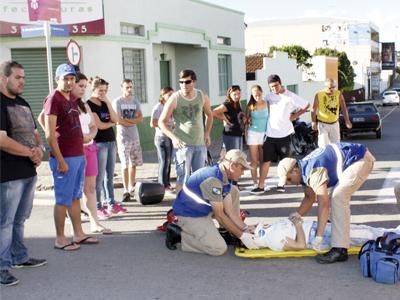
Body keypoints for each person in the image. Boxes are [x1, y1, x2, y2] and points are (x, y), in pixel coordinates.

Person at [276, 142, 375, 263]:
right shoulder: (304, 169)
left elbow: (324, 204)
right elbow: (309, 197)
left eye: (289, 179)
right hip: (355, 158)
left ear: (295, 170)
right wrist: (298, 214)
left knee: (338, 197)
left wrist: (319, 236)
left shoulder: (313, 172)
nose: (289, 183)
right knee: (336, 198)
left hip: (360, 160)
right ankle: (340, 236)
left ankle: (340, 249)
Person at [0, 61, 47, 286]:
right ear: (3, 78)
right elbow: (2, 141)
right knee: (5, 222)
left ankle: (20, 257)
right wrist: (30, 152)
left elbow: (35, 133)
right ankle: (2, 267)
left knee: (20, 219)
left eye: (24, 77)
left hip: (29, 170)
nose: (22, 82)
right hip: (8, 173)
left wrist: (40, 151)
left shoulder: (23, 103)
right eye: (17, 77)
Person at [43, 63, 98, 251]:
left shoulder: (71, 99)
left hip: (78, 155)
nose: (69, 82)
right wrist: (60, 160)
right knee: (63, 199)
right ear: (57, 79)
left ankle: (78, 234)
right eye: (65, 78)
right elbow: (49, 133)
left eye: (71, 78)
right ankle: (60, 238)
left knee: (75, 197)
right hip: (64, 158)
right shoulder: (54, 99)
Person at [167, 149, 259, 256]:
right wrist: (242, 236)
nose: (243, 173)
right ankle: (179, 236)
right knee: (218, 248)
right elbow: (220, 215)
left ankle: (225, 233)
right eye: (242, 168)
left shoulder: (222, 173)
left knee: (233, 191)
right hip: (190, 215)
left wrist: (245, 228)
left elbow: (229, 211)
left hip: (202, 209)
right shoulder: (213, 180)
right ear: (232, 165)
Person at [158, 70, 213, 193]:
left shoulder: (202, 96)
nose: (184, 85)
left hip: (200, 143)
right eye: (181, 82)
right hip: (183, 145)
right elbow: (161, 121)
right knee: (182, 178)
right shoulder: (175, 98)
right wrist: (173, 138)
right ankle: (180, 207)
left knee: (200, 178)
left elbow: (209, 115)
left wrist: (207, 133)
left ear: (194, 82)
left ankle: (197, 206)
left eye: (187, 82)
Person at [256, 74, 310, 195]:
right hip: (270, 134)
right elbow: (261, 105)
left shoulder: (290, 96)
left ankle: (282, 183)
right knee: (265, 161)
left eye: (276, 85)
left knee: (285, 162)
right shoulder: (269, 96)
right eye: (271, 87)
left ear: (280, 83)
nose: (274, 88)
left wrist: (295, 116)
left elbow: (307, 104)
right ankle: (261, 185)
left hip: (285, 134)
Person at [74, 73, 112, 234]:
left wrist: (89, 136)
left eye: (84, 86)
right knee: (75, 190)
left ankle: (94, 223)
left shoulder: (83, 104)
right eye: (80, 85)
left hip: (90, 147)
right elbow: (45, 121)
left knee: (90, 188)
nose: (83, 89)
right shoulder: (61, 102)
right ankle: (76, 228)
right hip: (74, 151)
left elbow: (93, 125)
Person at [87, 77, 127, 218]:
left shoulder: (105, 102)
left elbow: (116, 119)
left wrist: (108, 102)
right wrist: (112, 123)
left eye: (105, 90)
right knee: (98, 177)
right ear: (93, 89)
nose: (103, 93)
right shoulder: (89, 105)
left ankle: (111, 202)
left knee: (109, 176)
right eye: (100, 90)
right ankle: (98, 205)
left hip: (111, 141)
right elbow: (100, 125)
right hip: (99, 143)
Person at [253, 216, 400, 252]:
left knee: (356, 229)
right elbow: (300, 245)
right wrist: (297, 225)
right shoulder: (272, 241)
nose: (250, 226)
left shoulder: (268, 231)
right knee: (360, 234)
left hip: (315, 228)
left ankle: (390, 232)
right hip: (313, 236)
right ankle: (393, 236)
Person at [112, 79, 144, 202]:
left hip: (134, 136)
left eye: (131, 87)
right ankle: (125, 190)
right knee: (125, 164)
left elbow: (140, 118)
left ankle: (132, 187)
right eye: (127, 87)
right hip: (123, 137)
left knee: (134, 164)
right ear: (122, 88)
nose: (129, 90)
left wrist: (127, 122)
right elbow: (118, 120)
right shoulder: (117, 102)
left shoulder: (135, 101)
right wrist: (131, 121)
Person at [311, 78, 352, 147]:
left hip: (335, 124)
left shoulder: (338, 94)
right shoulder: (319, 94)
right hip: (323, 124)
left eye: (334, 87)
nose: (332, 89)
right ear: (325, 87)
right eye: (330, 88)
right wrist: (313, 122)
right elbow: (314, 109)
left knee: (336, 146)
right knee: (324, 146)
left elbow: (344, 108)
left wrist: (347, 121)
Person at [245, 85, 269, 192]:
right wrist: (245, 136)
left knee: (263, 161)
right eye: (254, 93)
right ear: (252, 94)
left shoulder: (267, 103)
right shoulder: (250, 105)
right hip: (253, 134)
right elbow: (246, 122)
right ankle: (255, 183)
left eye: (258, 92)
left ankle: (262, 182)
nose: (257, 95)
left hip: (265, 134)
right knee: (254, 161)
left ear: (261, 92)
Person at [150, 87, 174, 192]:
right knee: (164, 162)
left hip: (170, 137)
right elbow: (153, 123)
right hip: (161, 138)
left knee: (168, 162)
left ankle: (167, 183)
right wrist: (165, 125)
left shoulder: (171, 106)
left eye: (172, 95)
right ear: (163, 96)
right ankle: (162, 185)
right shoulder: (158, 107)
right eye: (169, 95)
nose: (171, 97)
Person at [212, 85, 245, 152]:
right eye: (234, 94)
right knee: (232, 158)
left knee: (237, 157)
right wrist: (224, 119)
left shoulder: (237, 103)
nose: (237, 96)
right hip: (231, 135)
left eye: (238, 94)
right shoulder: (227, 104)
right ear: (230, 94)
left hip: (238, 134)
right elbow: (213, 112)